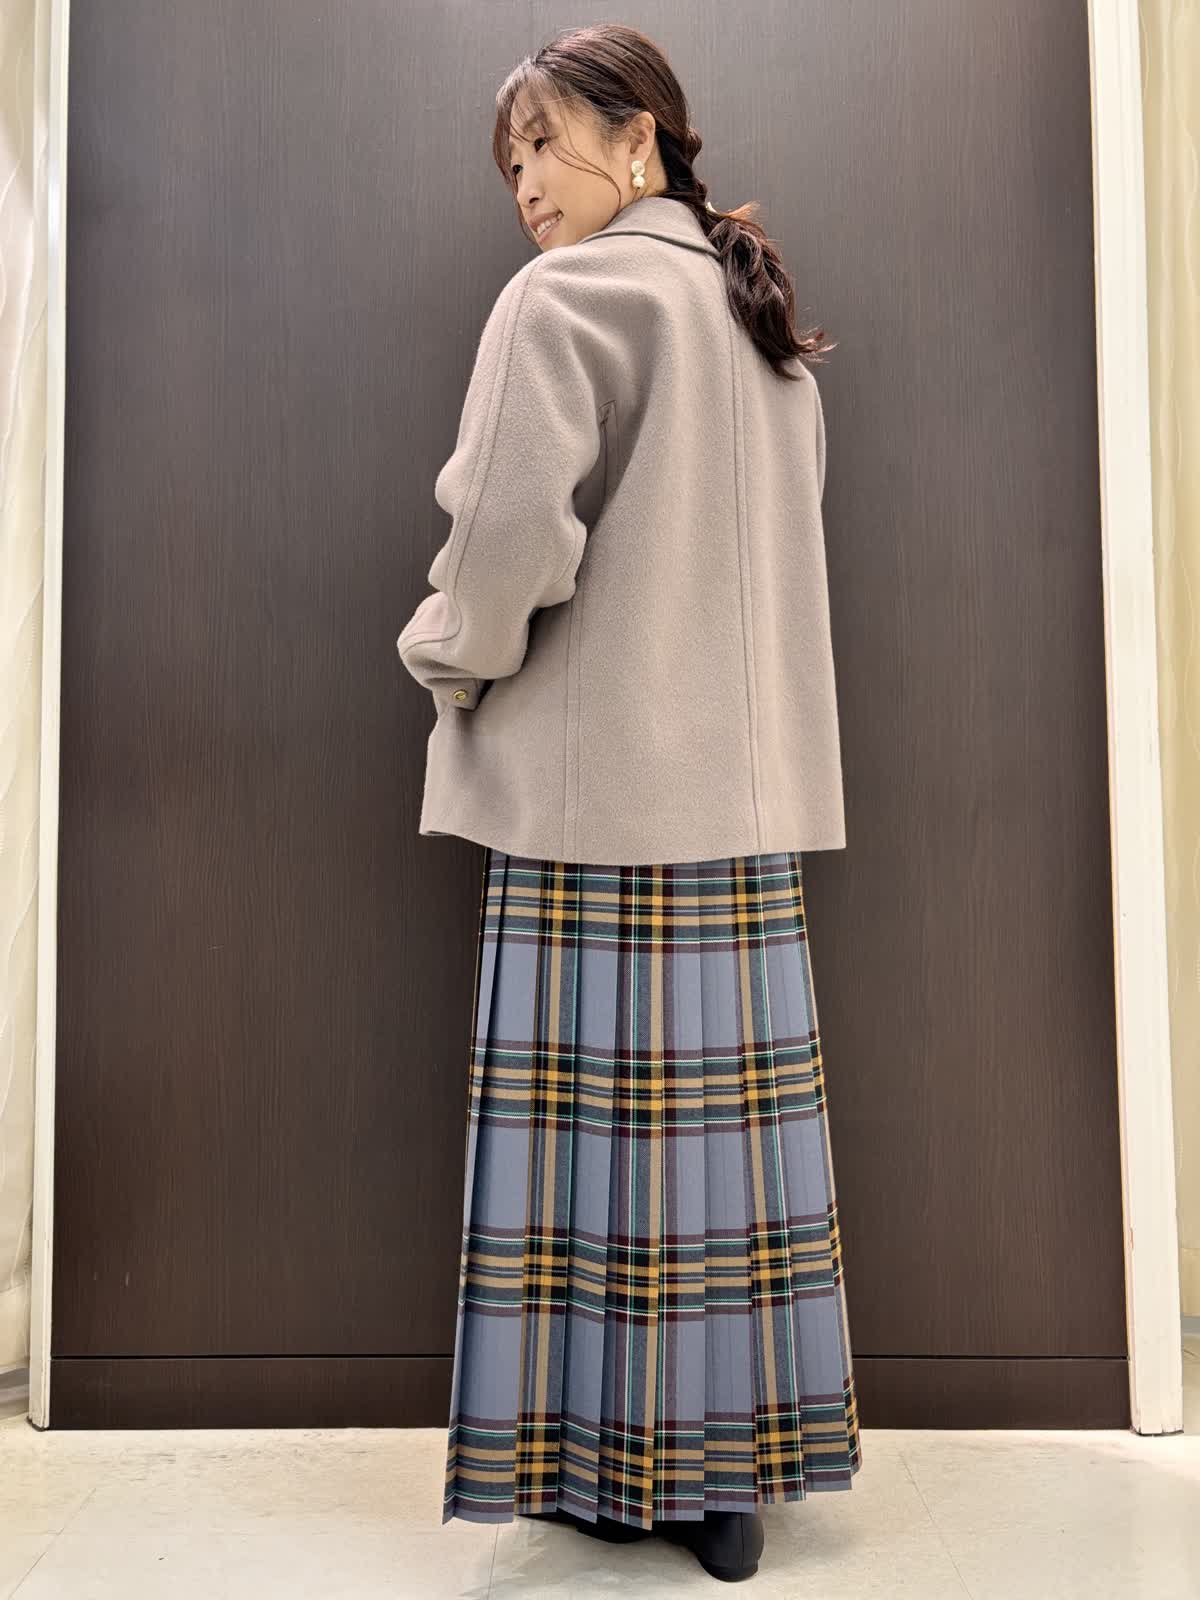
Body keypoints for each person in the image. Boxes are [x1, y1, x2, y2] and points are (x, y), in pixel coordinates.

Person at [396, 21, 861, 1585]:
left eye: (546, 140)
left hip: (598, 802)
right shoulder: (753, 315)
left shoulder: (564, 298)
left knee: (593, 1165)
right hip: (744, 807)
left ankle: (599, 1471)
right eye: (510, 158)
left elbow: (505, 538)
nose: (526, 181)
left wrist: (444, 658)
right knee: (724, 1162)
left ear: (638, 140)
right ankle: (728, 1488)